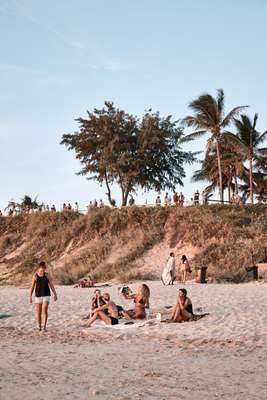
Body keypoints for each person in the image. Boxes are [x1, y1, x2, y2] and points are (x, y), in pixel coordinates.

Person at [29, 261, 57, 331]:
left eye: (44, 268)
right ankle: (39, 326)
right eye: (42, 268)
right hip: (38, 295)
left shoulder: (47, 275)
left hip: (46, 294)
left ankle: (44, 326)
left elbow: (51, 285)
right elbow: (32, 287)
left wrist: (55, 294)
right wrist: (30, 296)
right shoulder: (35, 276)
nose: (43, 270)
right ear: (39, 268)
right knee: (38, 312)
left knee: (44, 310)